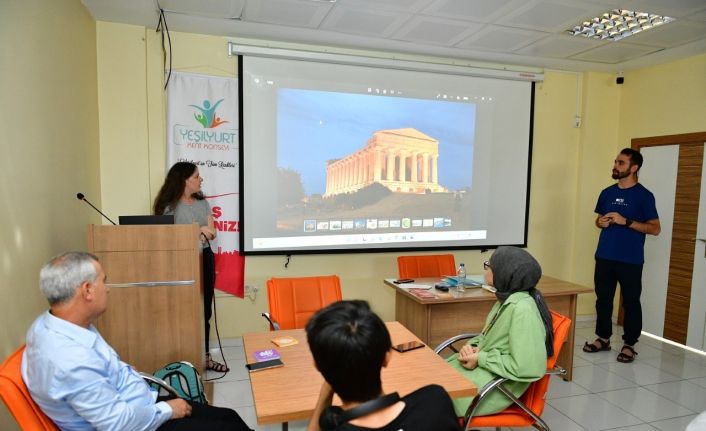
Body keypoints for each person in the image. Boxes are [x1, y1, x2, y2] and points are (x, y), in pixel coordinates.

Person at [22, 251, 252, 431]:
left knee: (229, 417)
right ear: (88, 290)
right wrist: (167, 410)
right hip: (138, 424)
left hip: (139, 404)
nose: (108, 289)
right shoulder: (70, 360)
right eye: (104, 281)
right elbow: (118, 425)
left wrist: (119, 372)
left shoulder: (51, 324)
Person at [305, 300, 460, 431]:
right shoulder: (434, 401)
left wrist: (328, 385)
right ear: (387, 357)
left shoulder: (335, 426)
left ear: (317, 366)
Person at [446, 246, 551, 417]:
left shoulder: (522, 309)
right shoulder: (506, 299)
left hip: (493, 388)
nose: (486, 269)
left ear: (504, 273)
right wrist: (471, 347)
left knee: (428, 396)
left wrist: (480, 358)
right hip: (482, 374)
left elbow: (528, 367)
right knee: (424, 383)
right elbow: (488, 337)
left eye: (489, 266)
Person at [583, 148, 660, 363]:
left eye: (621, 163)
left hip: (630, 259)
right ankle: (603, 338)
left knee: (631, 302)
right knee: (603, 299)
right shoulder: (607, 192)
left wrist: (626, 221)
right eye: (616, 162)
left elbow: (655, 229)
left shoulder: (644, 196)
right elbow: (598, 220)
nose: (615, 166)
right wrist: (601, 222)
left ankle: (629, 344)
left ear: (634, 168)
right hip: (605, 256)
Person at [153, 161, 227, 372]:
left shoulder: (202, 203)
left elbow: (212, 232)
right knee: (181, 312)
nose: (200, 179)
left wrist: (200, 232)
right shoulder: (168, 206)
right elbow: (167, 237)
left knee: (205, 310)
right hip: (178, 263)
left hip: (204, 258)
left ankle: (205, 358)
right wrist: (199, 231)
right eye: (196, 176)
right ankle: (183, 361)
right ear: (184, 180)